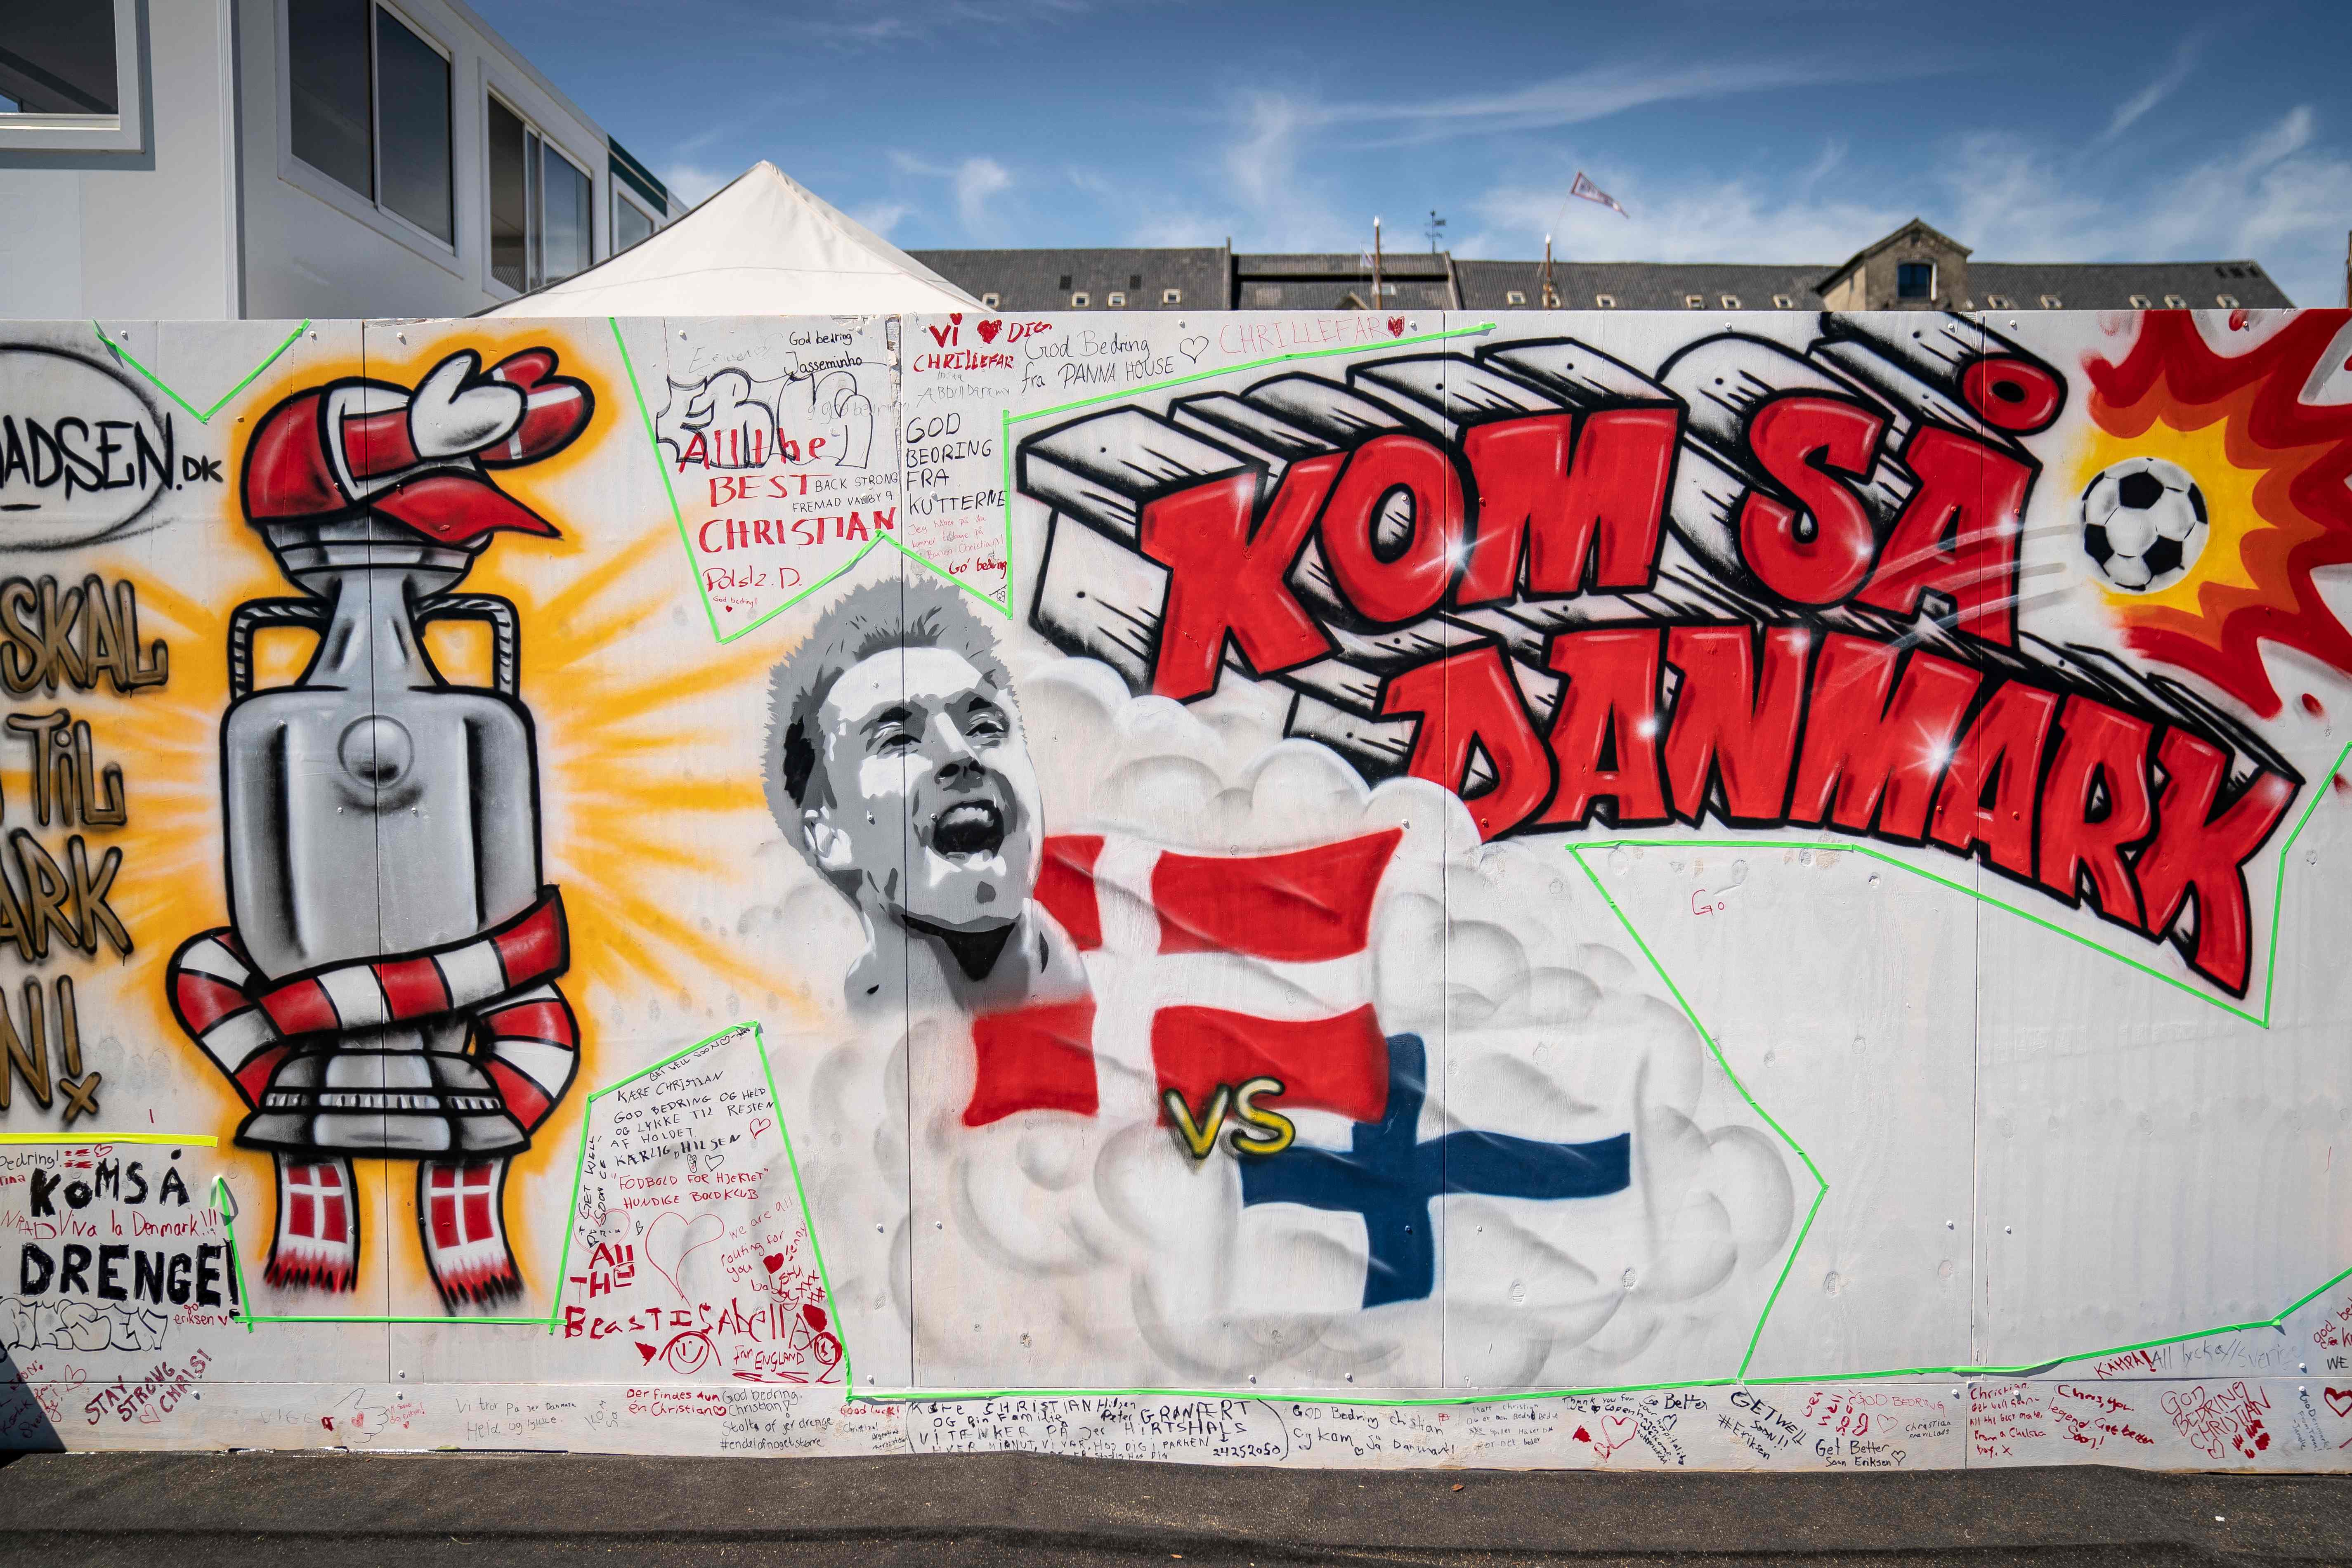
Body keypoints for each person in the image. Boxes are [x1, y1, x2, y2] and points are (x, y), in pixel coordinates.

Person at [765, 578, 1087, 1019]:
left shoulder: (1127, 994)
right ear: (828, 836)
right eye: (898, 738)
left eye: (985, 727)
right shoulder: (837, 1040)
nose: (960, 753)